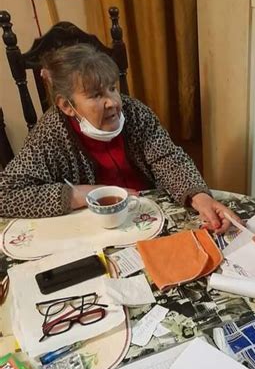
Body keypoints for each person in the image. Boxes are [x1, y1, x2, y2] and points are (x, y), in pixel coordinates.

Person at [0, 43, 235, 234]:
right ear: (66, 105)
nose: (113, 102)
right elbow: (5, 195)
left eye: (112, 88)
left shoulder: (134, 111)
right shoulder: (50, 134)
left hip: (146, 213)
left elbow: (168, 157)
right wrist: (79, 194)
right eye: (96, 95)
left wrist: (199, 196)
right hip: (90, 228)